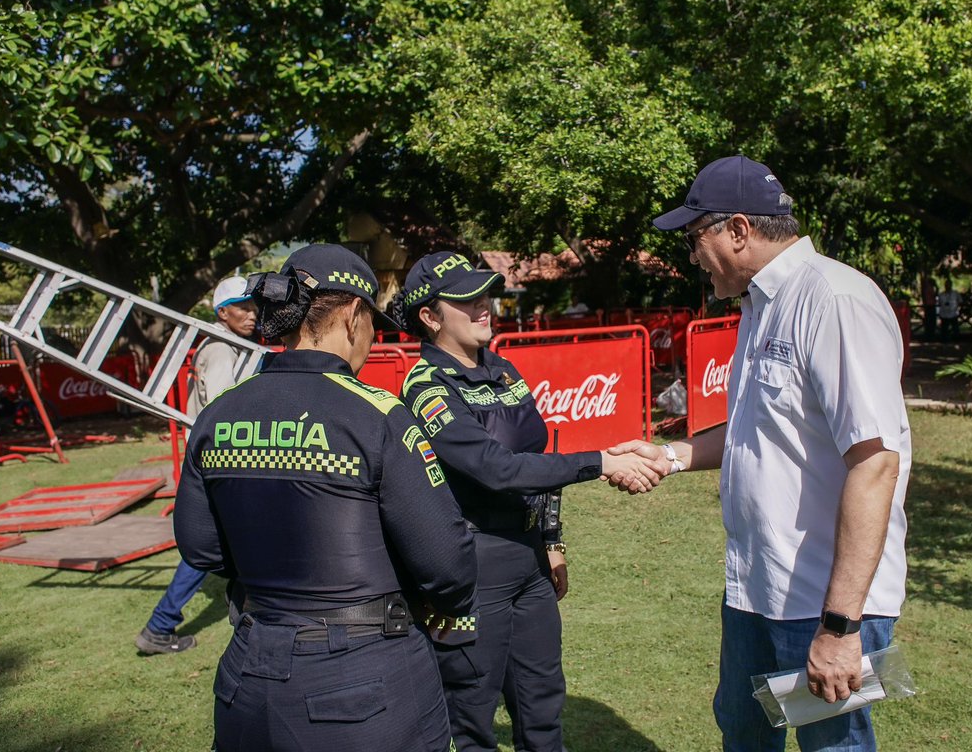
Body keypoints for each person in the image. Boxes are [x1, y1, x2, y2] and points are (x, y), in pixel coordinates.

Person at [612, 156, 911, 752]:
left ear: (739, 231)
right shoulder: (759, 304)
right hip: (756, 586)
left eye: (696, 238)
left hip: (820, 599)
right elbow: (759, 431)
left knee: (833, 745)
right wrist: (672, 455)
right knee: (744, 731)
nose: (692, 255)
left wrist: (840, 627)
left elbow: (875, 462)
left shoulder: (834, 299)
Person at [174, 244, 478, 751]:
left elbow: (201, 549)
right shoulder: (379, 413)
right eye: (374, 327)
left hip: (249, 676)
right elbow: (449, 567)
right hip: (365, 686)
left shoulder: (219, 413)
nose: (373, 340)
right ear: (354, 315)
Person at [389, 251, 668, 752]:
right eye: (466, 300)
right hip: (471, 568)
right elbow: (497, 468)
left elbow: (538, 457)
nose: (483, 307)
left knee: (543, 710)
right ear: (429, 317)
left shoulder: (504, 369)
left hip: (530, 563)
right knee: (472, 722)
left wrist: (551, 538)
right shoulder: (425, 385)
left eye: (485, 296)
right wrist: (601, 462)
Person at [135, 275, 258, 655]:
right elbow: (226, 412)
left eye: (254, 306)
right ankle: (159, 625)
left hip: (217, 460)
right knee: (216, 541)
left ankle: (164, 624)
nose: (252, 314)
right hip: (221, 461)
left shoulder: (231, 345)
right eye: (244, 307)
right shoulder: (221, 349)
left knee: (230, 538)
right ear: (223, 313)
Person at [920, 275, 937, 341]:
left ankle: (929, 336)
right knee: (931, 322)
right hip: (930, 306)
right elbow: (933, 296)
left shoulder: (926, 288)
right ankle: (930, 336)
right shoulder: (929, 288)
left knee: (930, 322)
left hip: (929, 306)